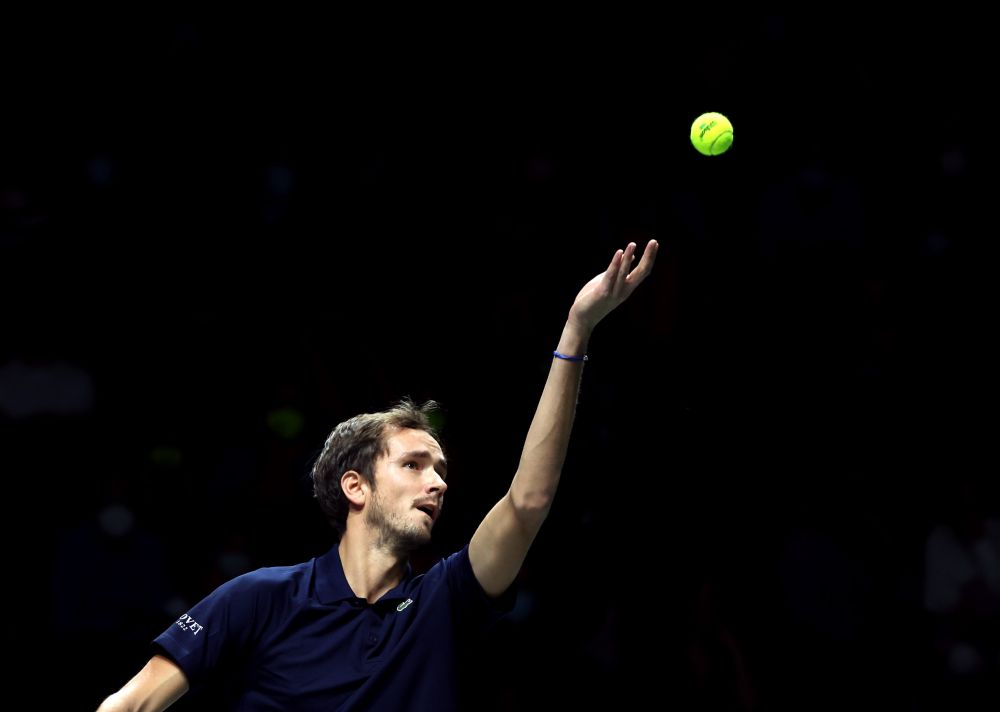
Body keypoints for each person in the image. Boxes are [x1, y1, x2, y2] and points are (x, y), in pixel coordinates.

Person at [96, 239, 658, 711]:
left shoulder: (446, 600)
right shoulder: (259, 598)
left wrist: (576, 331)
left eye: (440, 470)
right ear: (355, 486)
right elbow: (132, 704)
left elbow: (528, 501)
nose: (437, 483)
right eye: (413, 465)